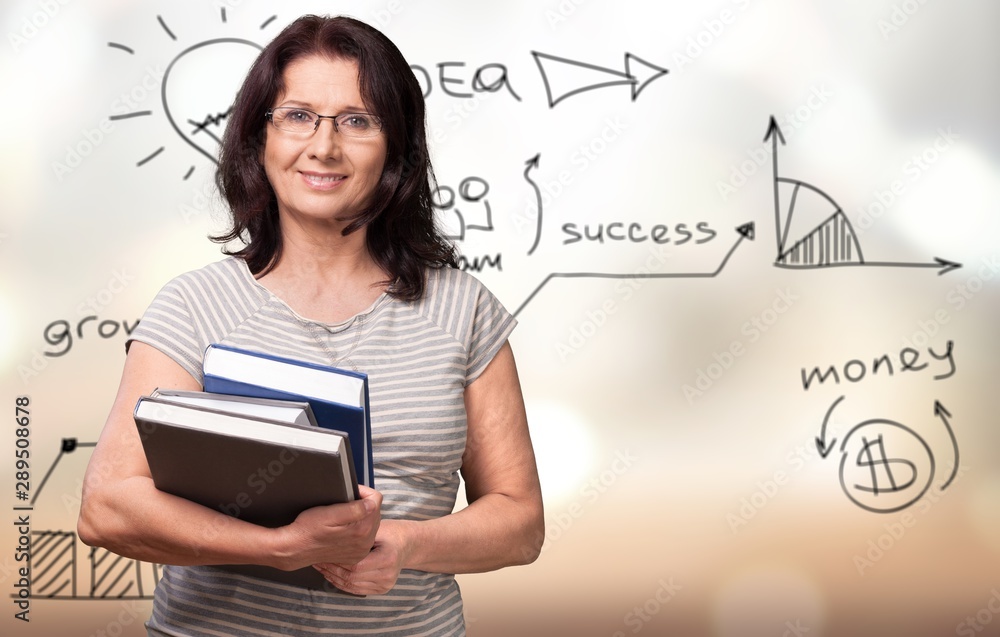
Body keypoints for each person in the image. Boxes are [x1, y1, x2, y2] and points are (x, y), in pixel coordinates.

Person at [78, 14, 544, 636]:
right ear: (258, 139)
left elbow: (520, 525)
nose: (323, 147)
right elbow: (107, 508)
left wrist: (402, 545)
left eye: (357, 121)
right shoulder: (193, 306)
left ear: (397, 149)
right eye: (297, 116)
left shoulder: (465, 310)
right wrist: (277, 546)